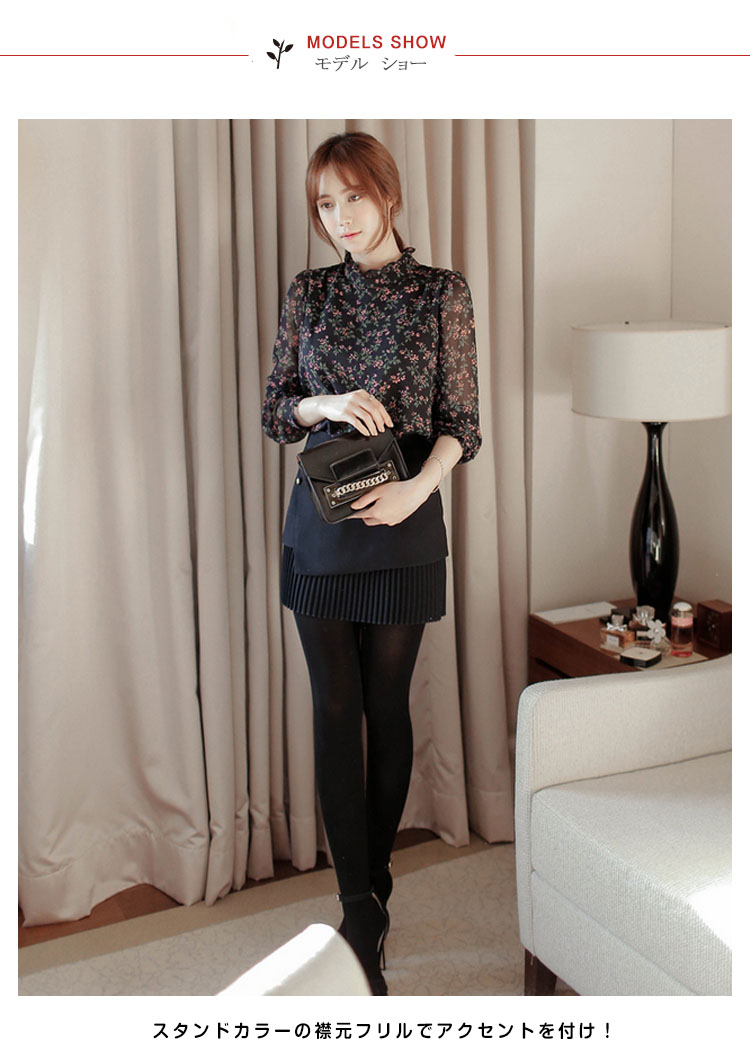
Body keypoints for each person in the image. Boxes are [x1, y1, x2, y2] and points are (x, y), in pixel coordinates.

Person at [262, 131, 481, 994]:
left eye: (353, 197)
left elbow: (462, 423)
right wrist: (324, 399)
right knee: (333, 708)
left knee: (386, 708)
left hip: (403, 523)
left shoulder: (441, 293)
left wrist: (416, 492)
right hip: (321, 530)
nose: (341, 217)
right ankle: (358, 908)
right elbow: (276, 411)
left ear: (387, 194)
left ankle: (374, 891)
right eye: (326, 204)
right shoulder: (309, 293)